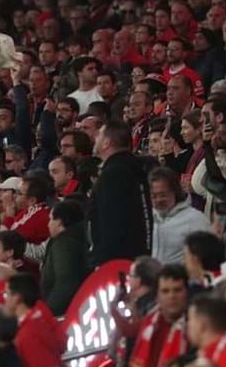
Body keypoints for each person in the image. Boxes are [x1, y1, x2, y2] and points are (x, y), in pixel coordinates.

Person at [91, 121, 153, 264]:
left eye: (99, 134)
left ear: (107, 143)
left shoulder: (114, 174)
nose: (95, 137)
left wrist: (100, 261)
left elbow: (111, 223)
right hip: (134, 260)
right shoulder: (134, 170)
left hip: (115, 266)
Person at [40, 199, 90, 315]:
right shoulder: (80, 238)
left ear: (59, 222)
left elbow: (65, 283)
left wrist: (48, 314)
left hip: (63, 314)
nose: (48, 224)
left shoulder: (64, 244)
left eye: (51, 219)